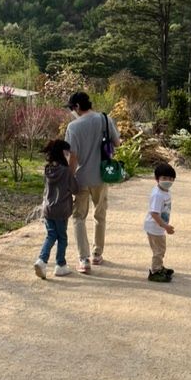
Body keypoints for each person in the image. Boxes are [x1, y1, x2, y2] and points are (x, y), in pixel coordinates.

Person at [64, 91, 120, 273]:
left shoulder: (73, 127)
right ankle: (97, 254)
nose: (72, 111)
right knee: (100, 215)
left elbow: (73, 157)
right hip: (102, 176)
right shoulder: (105, 119)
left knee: (78, 217)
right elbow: (117, 143)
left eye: (72, 108)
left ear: (77, 107)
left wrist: (69, 178)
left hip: (81, 178)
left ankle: (83, 259)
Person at [34, 139, 78, 279]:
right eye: (66, 153)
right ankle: (60, 265)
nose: (68, 156)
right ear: (62, 154)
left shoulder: (47, 170)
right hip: (61, 210)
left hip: (47, 209)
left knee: (51, 235)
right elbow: (75, 188)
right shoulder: (66, 172)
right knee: (62, 238)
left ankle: (42, 261)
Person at [144, 162, 176, 283]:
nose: (167, 181)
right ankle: (155, 271)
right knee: (159, 250)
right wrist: (165, 226)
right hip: (155, 227)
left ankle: (159, 266)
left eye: (170, 178)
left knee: (160, 249)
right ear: (157, 179)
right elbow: (154, 213)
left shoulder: (165, 191)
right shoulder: (157, 194)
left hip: (158, 227)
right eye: (164, 178)